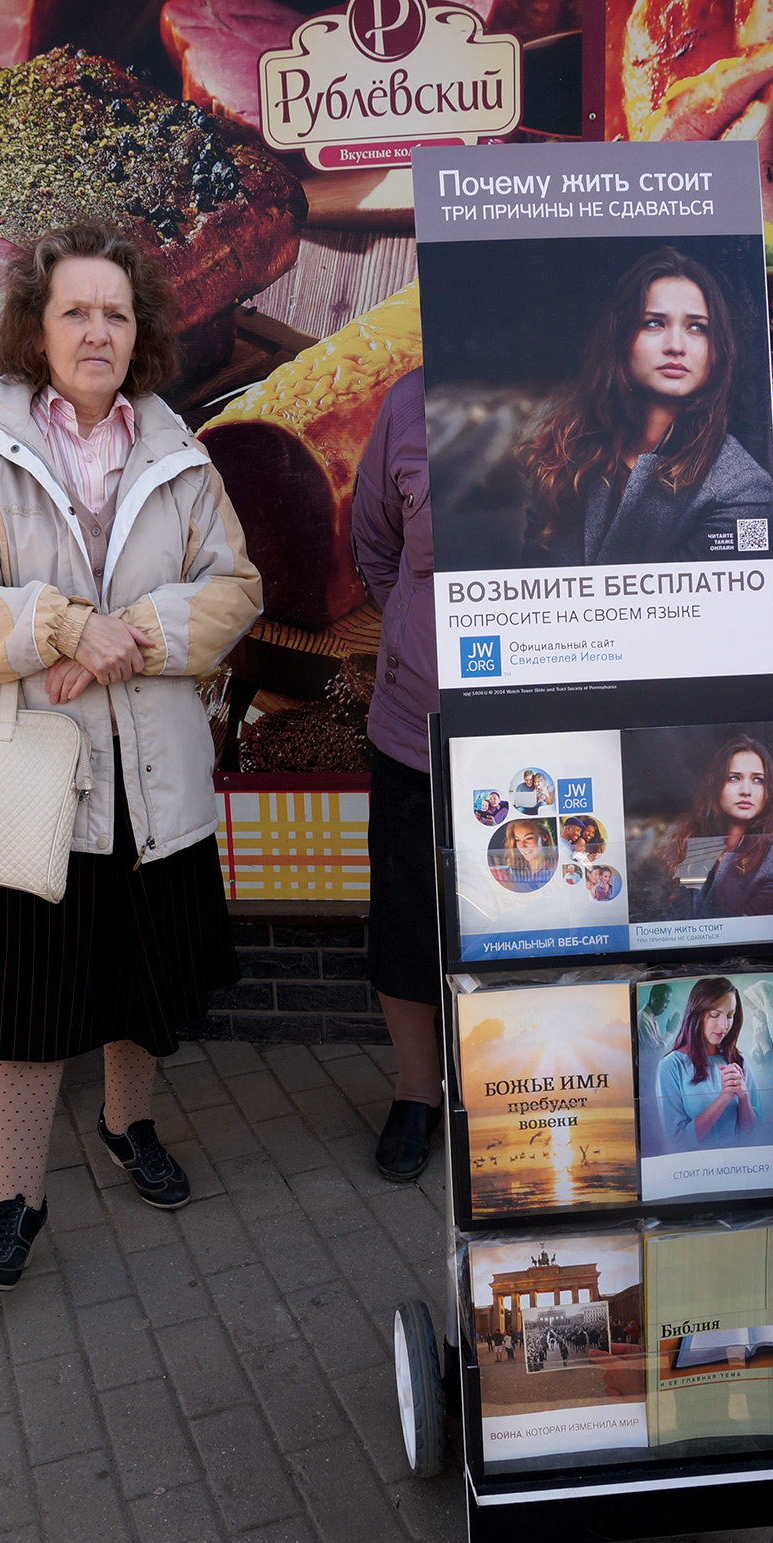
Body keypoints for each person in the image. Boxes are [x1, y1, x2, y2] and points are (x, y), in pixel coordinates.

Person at [0, 224, 262, 1290]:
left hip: (156, 783)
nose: (97, 331)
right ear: (38, 326)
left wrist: (131, 643)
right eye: (76, 311)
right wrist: (67, 630)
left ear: (141, 331)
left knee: (142, 981)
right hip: (42, 784)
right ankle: (16, 1197)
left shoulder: (179, 450)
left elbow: (234, 589)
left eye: (116, 312)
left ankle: (127, 1127)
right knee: (27, 1003)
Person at [519, 245, 773, 568]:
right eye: (654, 323)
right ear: (621, 337)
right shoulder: (568, 447)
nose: (675, 346)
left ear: (716, 352)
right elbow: (531, 582)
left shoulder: (742, 490)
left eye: (697, 327)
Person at [351, 367, 448, 1183]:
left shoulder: (597, 383)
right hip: (417, 727)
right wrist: (420, 637)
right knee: (411, 917)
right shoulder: (409, 401)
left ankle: (518, 1086)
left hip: (553, 731)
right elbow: (378, 546)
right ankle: (418, 1092)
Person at [665, 734, 773, 918]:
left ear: (768, 792)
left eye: (758, 780)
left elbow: (741, 934)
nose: (746, 791)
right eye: (734, 778)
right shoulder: (687, 839)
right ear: (716, 784)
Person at [656, 977, 761, 1147]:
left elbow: (752, 1131)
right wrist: (724, 1097)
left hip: (738, 1165)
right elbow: (677, 1140)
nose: (723, 1025)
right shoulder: (671, 1066)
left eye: (729, 1016)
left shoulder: (738, 1061)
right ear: (696, 1014)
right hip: (694, 1169)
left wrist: (744, 1097)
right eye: (714, 1015)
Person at [491, 819, 557, 891]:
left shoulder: (557, 868)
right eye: (518, 840)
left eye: (528, 838)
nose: (522, 846)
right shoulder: (512, 871)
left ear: (544, 837)